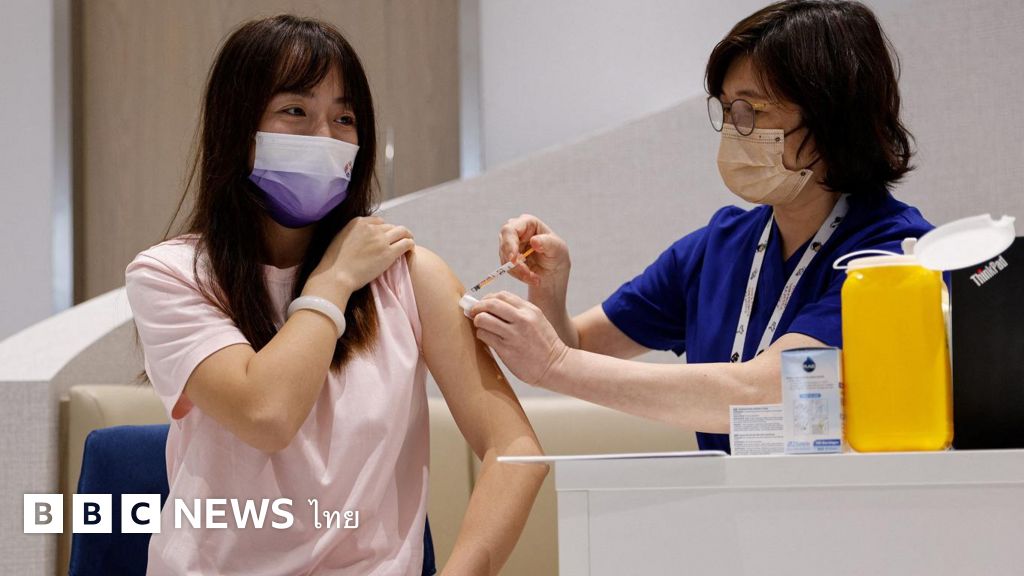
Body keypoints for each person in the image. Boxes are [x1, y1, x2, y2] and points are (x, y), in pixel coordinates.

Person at [125, 15, 546, 575]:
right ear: (236, 127)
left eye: (344, 118)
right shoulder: (171, 274)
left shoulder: (409, 276)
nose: (324, 138)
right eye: (295, 111)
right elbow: (267, 415)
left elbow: (515, 450)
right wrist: (333, 281)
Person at [468, 0, 932, 453]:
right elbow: (580, 350)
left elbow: (770, 389)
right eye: (727, 110)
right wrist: (550, 285)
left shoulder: (894, 255)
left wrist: (554, 363)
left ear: (832, 118)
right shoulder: (718, 248)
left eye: (752, 111)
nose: (733, 129)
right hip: (723, 500)